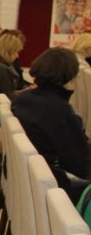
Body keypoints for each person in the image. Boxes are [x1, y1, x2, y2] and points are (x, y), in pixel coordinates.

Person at [12, 47, 91, 204]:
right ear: (70, 73)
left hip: (30, 177)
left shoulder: (23, 99)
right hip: (55, 186)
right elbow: (80, 166)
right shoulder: (59, 109)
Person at [0, 33, 24, 104]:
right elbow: (9, 96)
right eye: (16, 52)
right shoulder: (1, 69)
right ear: (8, 51)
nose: (17, 56)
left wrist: (26, 91)